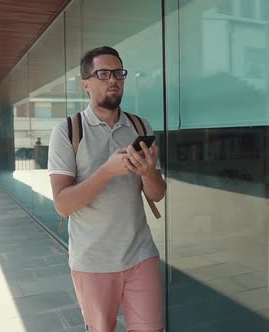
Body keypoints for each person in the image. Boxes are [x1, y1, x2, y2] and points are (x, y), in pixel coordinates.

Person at [48, 46, 166, 332]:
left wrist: (149, 172)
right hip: (93, 261)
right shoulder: (68, 131)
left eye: (118, 73)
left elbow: (157, 193)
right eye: (102, 73)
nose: (112, 79)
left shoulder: (140, 126)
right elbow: (63, 204)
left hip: (141, 253)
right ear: (86, 83)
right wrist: (107, 171)